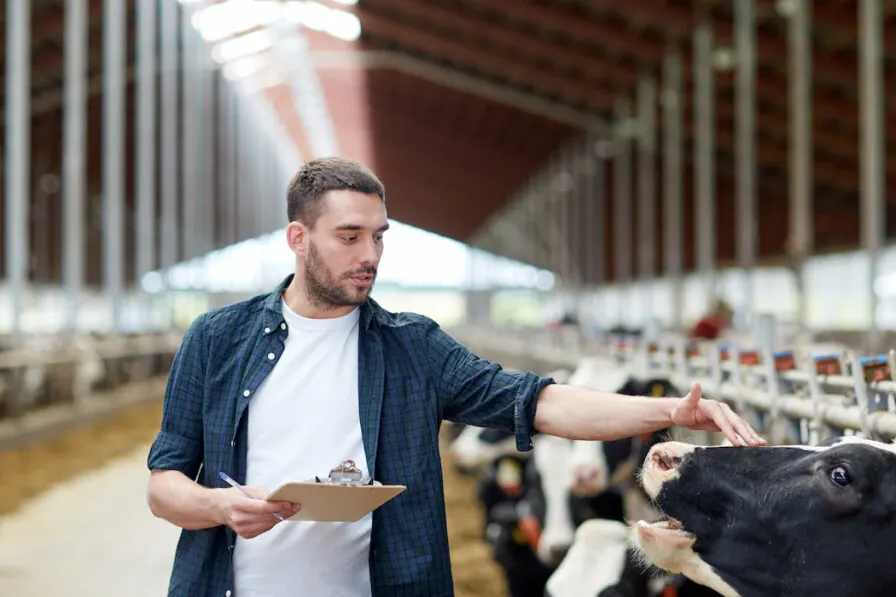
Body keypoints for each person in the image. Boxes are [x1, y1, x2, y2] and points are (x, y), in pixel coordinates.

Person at [145, 157, 765, 597]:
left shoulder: (412, 345)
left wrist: (666, 413)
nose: (370, 256)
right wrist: (218, 505)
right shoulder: (217, 339)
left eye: (380, 237)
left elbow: (538, 402)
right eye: (349, 236)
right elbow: (164, 484)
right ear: (297, 238)